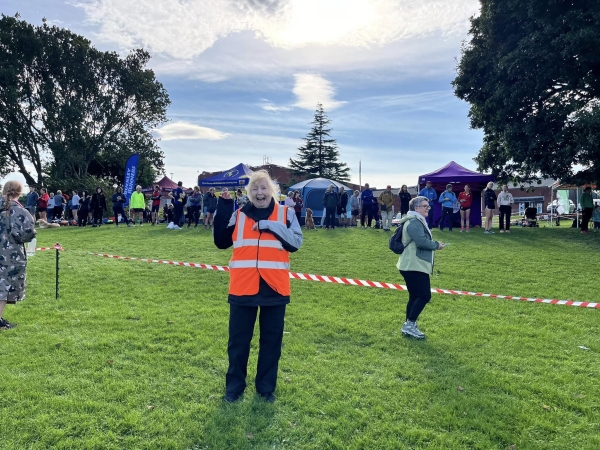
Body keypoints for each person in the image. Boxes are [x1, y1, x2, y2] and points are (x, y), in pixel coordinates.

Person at [213, 170, 303, 403]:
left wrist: (270, 226)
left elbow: (295, 243)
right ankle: (234, 388)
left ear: (272, 191)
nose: (259, 193)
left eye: (263, 188)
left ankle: (265, 389)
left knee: (271, 342)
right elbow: (221, 241)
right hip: (243, 286)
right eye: (254, 188)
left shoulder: (286, 214)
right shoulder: (239, 214)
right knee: (238, 342)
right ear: (248, 193)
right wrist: (223, 207)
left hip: (275, 288)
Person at [396, 196, 446, 339]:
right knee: (424, 295)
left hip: (412, 264)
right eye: (425, 206)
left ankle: (409, 325)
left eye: (428, 206)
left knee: (415, 296)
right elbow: (421, 241)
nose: (427, 208)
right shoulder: (414, 222)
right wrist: (437, 245)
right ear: (416, 208)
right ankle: (409, 324)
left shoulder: (414, 220)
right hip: (414, 265)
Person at [0, 181, 37, 330]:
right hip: (10, 255)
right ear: (19, 193)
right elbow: (27, 234)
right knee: (3, 286)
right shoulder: (21, 212)